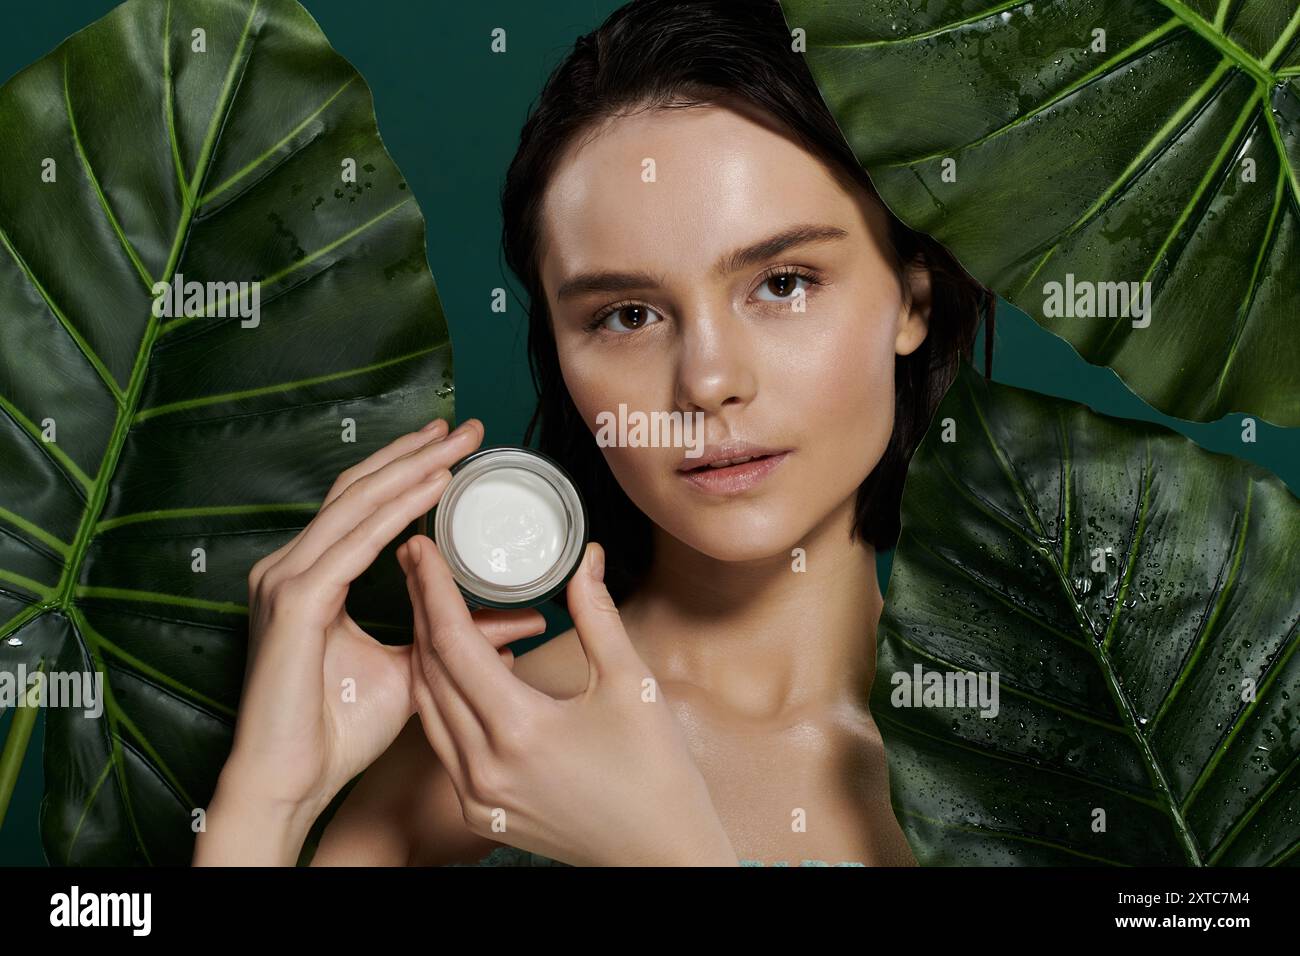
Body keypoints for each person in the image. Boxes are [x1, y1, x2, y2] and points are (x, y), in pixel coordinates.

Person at [193, 0, 993, 867]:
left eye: (784, 283)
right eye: (629, 314)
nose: (710, 382)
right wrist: (269, 800)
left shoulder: (1071, 737)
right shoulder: (479, 758)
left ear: (913, 300)